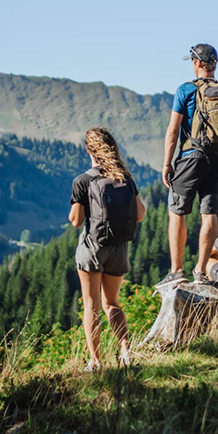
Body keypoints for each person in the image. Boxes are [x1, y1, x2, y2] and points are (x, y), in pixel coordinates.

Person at [69, 127, 147, 371]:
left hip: (93, 248)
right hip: (119, 249)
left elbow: (76, 221)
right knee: (112, 303)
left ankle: (95, 361)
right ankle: (125, 350)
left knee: (91, 306)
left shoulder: (83, 180)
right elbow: (141, 215)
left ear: (89, 150)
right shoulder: (125, 178)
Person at [161, 43, 218, 284]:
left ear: (196, 63)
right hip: (217, 159)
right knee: (210, 213)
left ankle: (176, 271)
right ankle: (201, 271)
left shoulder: (186, 90)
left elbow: (173, 130)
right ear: (213, 65)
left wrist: (167, 163)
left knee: (177, 211)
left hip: (190, 157)